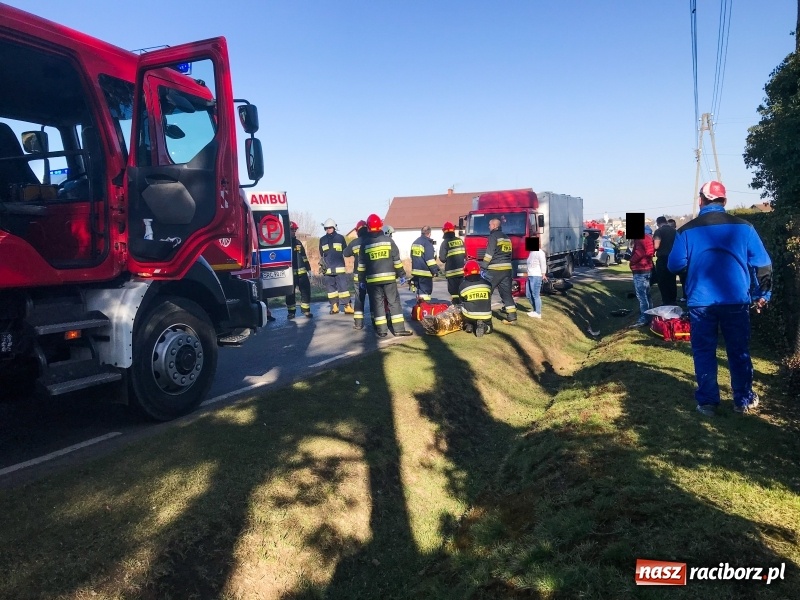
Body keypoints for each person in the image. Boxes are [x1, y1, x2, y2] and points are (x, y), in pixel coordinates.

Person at [668, 181, 772, 416]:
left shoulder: (686, 231)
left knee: (704, 351)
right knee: (739, 350)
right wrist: (762, 294)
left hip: (701, 303)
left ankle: (707, 403)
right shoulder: (745, 228)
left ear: (700, 201)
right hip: (736, 301)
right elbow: (763, 264)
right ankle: (743, 401)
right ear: (724, 201)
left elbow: (674, 264)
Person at [357, 214, 412, 338]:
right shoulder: (389, 241)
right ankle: (398, 329)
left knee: (378, 304)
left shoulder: (365, 244)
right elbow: (396, 261)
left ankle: (382, 330)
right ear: (380, 225)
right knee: (394, 302)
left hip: (373, 281)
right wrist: (402, 275)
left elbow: (361, 265)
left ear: (368, 227)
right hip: (389, 279)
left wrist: (361, 279)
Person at [482, 218, 517, 323]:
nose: (488, 227)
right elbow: (510, 254)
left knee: (486, 291)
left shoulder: (493, 236)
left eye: (489, 225)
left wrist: (483, 266)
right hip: (507, 270)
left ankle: (484, 317)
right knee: (506, 293)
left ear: (494, 225)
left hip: (495, 269)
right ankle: (512, 317)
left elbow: (489, 253)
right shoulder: (506, 237)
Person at [319, 218, 353, 315]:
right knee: (331, 290)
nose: (328, 229)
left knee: (343, 288)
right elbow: (321, 253)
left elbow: (345, 251)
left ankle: (347, 306)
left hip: (339, 268)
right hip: (328, 270)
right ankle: (334, 306)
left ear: (334, 227)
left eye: (330, 227)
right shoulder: (322, 240)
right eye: (326, 228)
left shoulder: (340, 238)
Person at [343, 219, 368, 329]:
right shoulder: (372, 240)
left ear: (357, 231)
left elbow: (346, 253)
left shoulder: (355, 243)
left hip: (358, 276)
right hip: (372, 276)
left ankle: (358, 323)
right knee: (376, 299)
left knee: (359, 299)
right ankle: (378, 323)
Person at [628, 225, 654, 327]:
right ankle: (650, 315)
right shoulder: (648, 237)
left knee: (641, 296)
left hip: (640, 269)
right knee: (647, 294)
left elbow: (639, 253)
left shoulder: (640, 239)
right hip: (647, 268)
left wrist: (631, 261)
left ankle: (644, 318)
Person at [286, 221, 313, 319]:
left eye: (295, 230)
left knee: (306, 291)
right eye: (292, 230)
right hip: (290, 275)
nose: (294, 232)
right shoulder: (285, 244)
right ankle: (291, 312)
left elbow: (304, 257)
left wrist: (309, 269)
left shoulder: (298, 243)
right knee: (290, 294)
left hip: (302, 274)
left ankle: (306, 311)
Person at [459, 260, 492, 337]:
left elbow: (461, 300)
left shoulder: (463, 285)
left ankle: (468, 324)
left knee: (465, 308)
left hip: (469, 315)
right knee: (490, 328)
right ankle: (484, 327)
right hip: (485, 316)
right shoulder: (487, 284)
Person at [438, 221, 465, 303]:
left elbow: (442, 259)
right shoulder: (460, 241)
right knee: (461, 290)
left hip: (451, 272)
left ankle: (456, 306)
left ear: (444, 231)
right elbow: (465, 255)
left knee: (453, 292)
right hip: (461, 271)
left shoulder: (445, 243)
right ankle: (463, 306)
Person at [410, 225, 440, 302]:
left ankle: (418, 310)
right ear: (429, 234)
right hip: (425, 273)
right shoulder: (427, 243)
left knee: (419, 291)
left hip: (416, 272)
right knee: (425, 294)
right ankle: (425, 310)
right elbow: (429, 260)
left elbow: (412, 256)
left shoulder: (415, 242)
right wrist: (435, 271)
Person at [652, 216, 678, 306]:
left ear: (658, 223)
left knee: (662, 281)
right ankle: (673, 299)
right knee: (672, 280)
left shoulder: (658, 231)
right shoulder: (674, 231)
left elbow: (656, 246)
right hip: (673, 258)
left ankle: (666, 300)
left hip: (663, 259)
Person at [525, 246, 548, 318]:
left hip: (536, 276)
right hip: (530, 275)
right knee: (528, 294)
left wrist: (543, 274)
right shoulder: (531, 252)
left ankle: (538, 312)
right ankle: (535, 310)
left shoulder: (540, 252)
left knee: (535, 294)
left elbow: (543, 263)